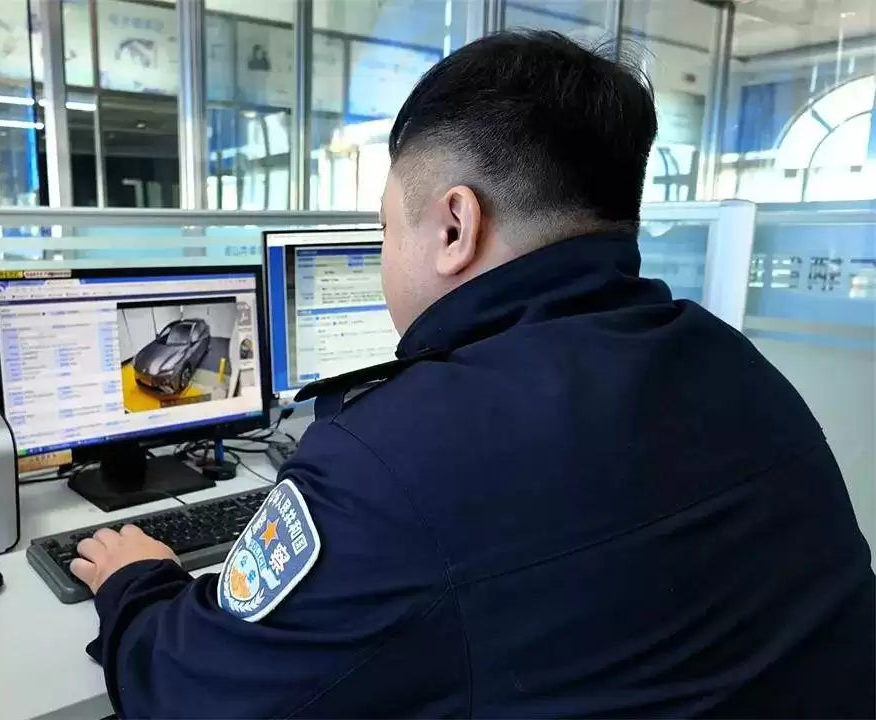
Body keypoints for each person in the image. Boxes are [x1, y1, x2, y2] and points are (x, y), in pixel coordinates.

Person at [70, 31, 875, 717]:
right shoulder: (737, 366)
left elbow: (194, 695)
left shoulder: (392, 458)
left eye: (385, 229)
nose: (382, 255)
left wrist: (137, 584)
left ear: (456, 226)